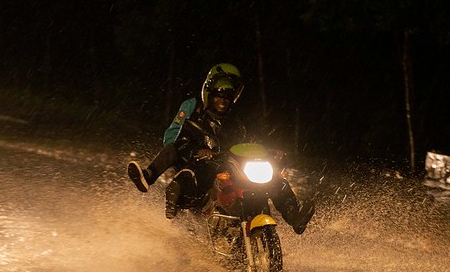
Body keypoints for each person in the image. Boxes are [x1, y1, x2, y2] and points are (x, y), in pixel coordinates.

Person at [127, 63, 315, 234]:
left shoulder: (235, 121)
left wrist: (268, 152)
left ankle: (295, 216)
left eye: (227, 96)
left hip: (229, 163)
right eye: (218, 95)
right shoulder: (194, 116)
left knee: (273, 178)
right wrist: (195, 153)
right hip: (199, 164)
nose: (223, 100)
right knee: (183, 161)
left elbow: (246, 143)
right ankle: (150, 177)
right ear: (209, 94)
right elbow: (173, 139)